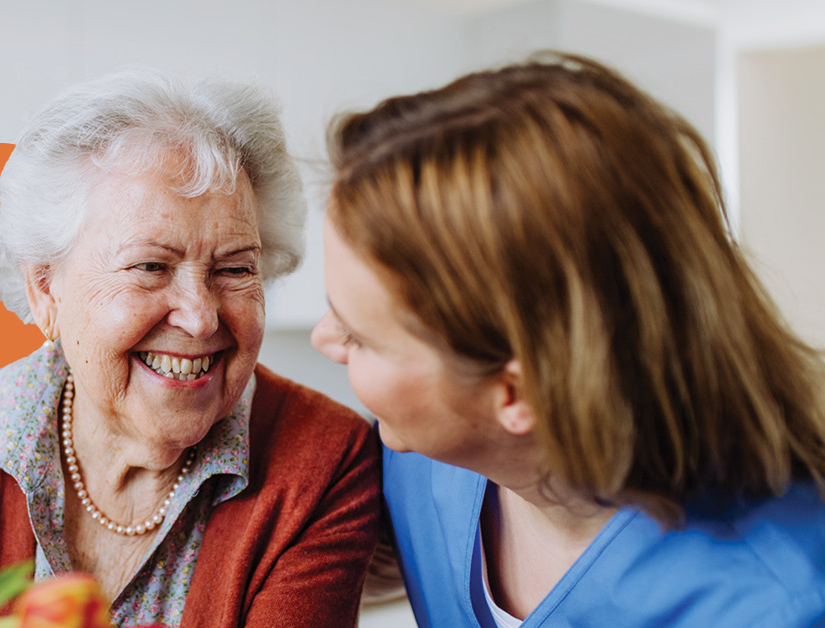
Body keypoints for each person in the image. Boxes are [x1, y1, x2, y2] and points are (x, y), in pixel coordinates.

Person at [0, 69, 380, 628]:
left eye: (235, 268)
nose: (199, 317)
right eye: (150, 266)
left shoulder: (321, 462)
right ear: (45, 288)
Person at [312, 52, 825, 627]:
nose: (322, 340)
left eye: (357, 336)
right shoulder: (428, 460)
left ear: (517, 394)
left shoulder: (775, 604)